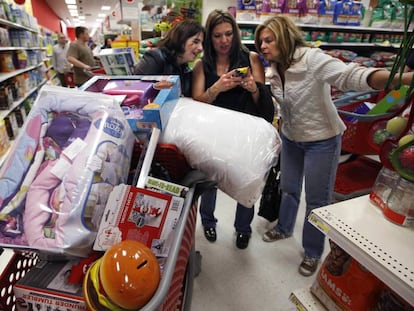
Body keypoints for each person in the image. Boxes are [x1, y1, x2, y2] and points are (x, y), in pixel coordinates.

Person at [255, 15, 414, 276]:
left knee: (317, 200)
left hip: (323, 141)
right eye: (260, 41)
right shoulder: (273, 68)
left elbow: (352, 75)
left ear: (284, 36)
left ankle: (313, 251)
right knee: (289, 188)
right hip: (292, 138)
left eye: (268, 39)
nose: (262, 45)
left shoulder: (312, 59)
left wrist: (403, 78)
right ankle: (284, 228)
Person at [192, 10, 274, 249]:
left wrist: (253, 88)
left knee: (246, 180)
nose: (224, 40)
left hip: (245, 133)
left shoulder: (252, 59)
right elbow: (196, 103)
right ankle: (207, 221)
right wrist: (216, 88)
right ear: (210, 38)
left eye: (229, 34)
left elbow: (264, 103)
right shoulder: (201, 64)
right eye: (217, 35)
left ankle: (243, 228)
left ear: (236, 34)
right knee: (209, 180)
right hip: (212, 133)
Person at [134, 19, 204, 97]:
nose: (200, 48)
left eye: (202, 43)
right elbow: (136, 90)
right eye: (195, 42)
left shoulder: (184, 68)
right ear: (181, 39)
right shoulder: (155, 58)